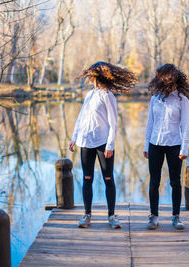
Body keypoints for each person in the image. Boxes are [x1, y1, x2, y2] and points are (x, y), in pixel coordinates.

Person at [69, 61, 137, 229]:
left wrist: (110, 145)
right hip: (85, 141)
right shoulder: (90, 95)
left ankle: (112, 216)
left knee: (108, 179)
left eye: (91, 74)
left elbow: (113, 123)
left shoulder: (108, 96)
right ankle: (87, 215)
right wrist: (74, 137)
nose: (89, 77)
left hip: (102, 143)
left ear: (97, 76)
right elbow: (81, 117)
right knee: (87, 179)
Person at [143, 63, 189, 230]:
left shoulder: (181, 100)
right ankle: (153, 216)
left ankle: (176, 216)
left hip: (174, 145)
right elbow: (150, 123)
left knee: (175, 182)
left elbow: (186, 126)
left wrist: (184, 149)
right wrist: (146, 145)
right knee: (154, 182)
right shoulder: (154, 99)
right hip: (155, 144)